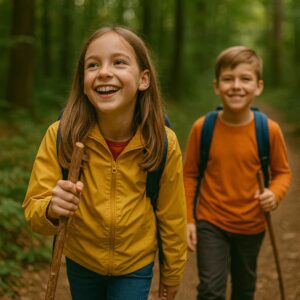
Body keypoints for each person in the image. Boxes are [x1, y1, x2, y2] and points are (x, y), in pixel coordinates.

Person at [23, 26, 187, 300]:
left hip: (135, 265)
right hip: (82, 261)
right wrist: (52, 208)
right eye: (93, 65)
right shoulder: (62, 135)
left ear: (143, 79)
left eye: (119, 62)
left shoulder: (163, 142)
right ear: (83, 83)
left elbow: (172, 216)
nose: (104, 72)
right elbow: (34, 209)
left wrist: (172, 274)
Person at [183, 46, 292, 300]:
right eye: (228, 79)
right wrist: (189, 219)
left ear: (258, 86)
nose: (236, 86)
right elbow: (189, 175)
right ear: (217, 86)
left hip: (252, 224)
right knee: (210, 290)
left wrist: (274, 195)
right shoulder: (203, 128)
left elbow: (283, 173)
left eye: (245, 79)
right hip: (211, 221)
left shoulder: (269, 130)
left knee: (244, 289)